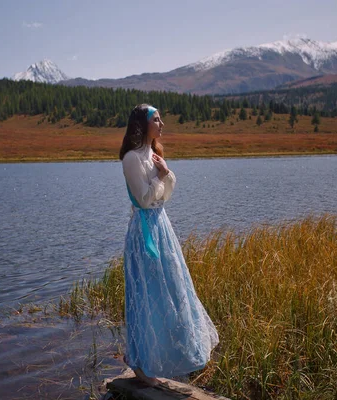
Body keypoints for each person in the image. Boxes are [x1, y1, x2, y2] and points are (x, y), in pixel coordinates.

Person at [119, 104, 219, 386]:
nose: (162, 124)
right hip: (144, 233)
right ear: (141, 124)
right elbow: (144, 200)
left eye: (161, 119)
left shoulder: (153, 155)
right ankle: (139, 361)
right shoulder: (131, 159)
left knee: (172, 289)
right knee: (146, 294)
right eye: (156, 119)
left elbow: (166, 194)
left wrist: (164, 174)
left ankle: (161, 355)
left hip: (162, 227)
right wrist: (162, 177)